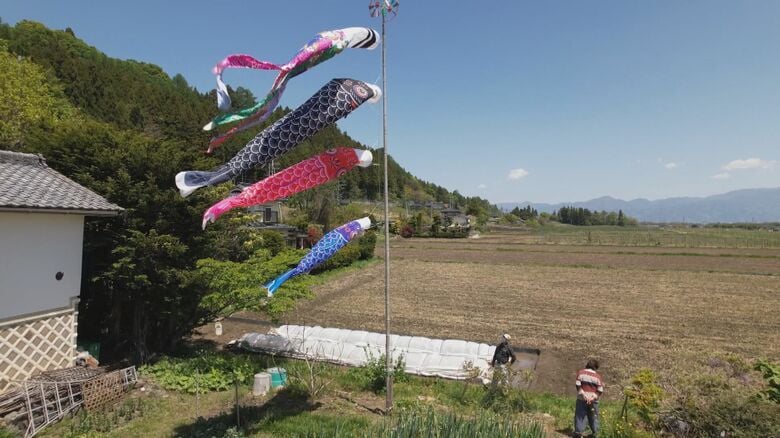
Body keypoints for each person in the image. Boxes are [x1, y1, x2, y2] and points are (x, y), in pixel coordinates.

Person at [574, 359, 604, 437]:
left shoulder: (580, 373)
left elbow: (578, 385)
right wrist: (592, 398)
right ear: (596, 367)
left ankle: (578, 433)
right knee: (594, 416)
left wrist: (584, 395)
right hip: (593, 401)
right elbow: (600, 390)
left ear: (587, 365)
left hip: (581, 399)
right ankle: (595, 433)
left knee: (580, 415)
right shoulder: (598, 377)